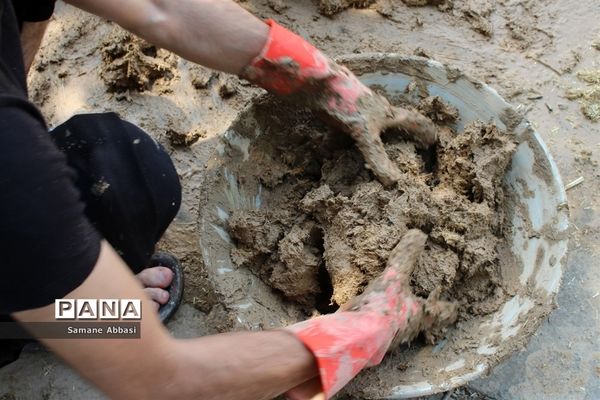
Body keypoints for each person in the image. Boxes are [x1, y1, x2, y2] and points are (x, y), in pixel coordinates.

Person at [1, 1, 441, 399]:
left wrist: (329, 84)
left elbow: (162, 8)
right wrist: (358, 334)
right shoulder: (14, 174)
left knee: (125, 171)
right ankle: (29, 318)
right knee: (102, 314)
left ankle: (47, 288)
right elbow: (162, 382)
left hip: (15, 177)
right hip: (12, 187)